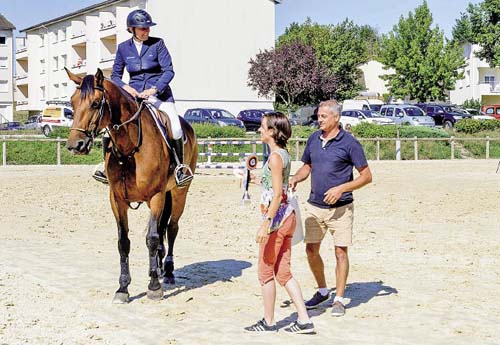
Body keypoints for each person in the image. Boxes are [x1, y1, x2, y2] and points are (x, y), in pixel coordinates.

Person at [289, 100, 372, 317]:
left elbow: (366, 176)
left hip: (341, 209)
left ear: (336, 118)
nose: (319, 119)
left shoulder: (350, 143)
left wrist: (342, 188)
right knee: (311, 250)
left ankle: (339, 298)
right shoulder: (313, 139)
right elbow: (307, 165)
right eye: (318, 116)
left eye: (323, 116)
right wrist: (296, 178)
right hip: (314, 206)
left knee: (340, 252)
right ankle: (323, 290)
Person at [92, 9, 192, 187]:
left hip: (159, 95)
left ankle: (179, 168)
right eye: (142, 28)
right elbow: (115, 76)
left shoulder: (158, 44)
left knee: (176, 127)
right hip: (134, 96)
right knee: (110, 126)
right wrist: (127, 88)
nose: (146, 31)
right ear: (132, 29)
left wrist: (154, 89)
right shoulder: (123, 48)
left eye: (147, 28)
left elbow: (169, 70)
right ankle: (106, 166)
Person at [244, 112, 315, 335]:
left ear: (273, 132)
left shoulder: (275, 157)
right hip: (288, 217)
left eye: (263, 127)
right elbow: (278, 186)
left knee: (265, 273)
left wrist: (266, 223)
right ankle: (304, 320)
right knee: (284, 272)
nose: (259, 130)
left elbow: (277, 196)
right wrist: (256, 179)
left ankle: (269, 321)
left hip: (276, 219)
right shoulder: (282, 154)